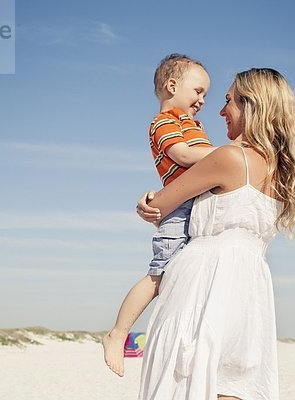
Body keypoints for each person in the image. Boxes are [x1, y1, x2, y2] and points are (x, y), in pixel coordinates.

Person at [135, 68, 295, 399]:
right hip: (251, 289)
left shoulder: (227, 157)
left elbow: (160, 207)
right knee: (235, 384)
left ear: (251, 106)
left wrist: (147, 201)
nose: (220, 110)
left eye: (229, 101)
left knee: (183, 382)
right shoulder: (280, 172)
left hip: (204, 280)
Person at [102, 54, 217, 377]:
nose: (202, 100)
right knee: (159, 274)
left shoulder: (193, 123)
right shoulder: (166, 121)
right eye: (198, 91)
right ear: (171, 86)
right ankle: (118, 333)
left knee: (184, 278)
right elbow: (182, 155)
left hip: (193, 204)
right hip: (179, 209)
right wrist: (229, 151)